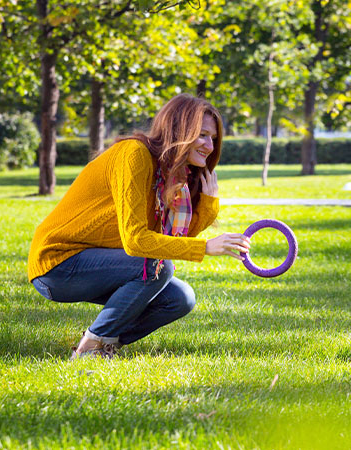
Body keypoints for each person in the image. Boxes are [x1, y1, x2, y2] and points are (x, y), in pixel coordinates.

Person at [27, 94, 251, 359]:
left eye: (213, 138)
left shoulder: (171, 174)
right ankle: (91, 347)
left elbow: (174, 241)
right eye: (202, 135)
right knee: (157, 267)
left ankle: (103, 342)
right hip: (57, 263)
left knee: (181, 298)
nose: (210, 146)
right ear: (179, 130)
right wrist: (205, 248)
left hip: (95, 265)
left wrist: (208, 203)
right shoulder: (134, 154)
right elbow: (136, 241)